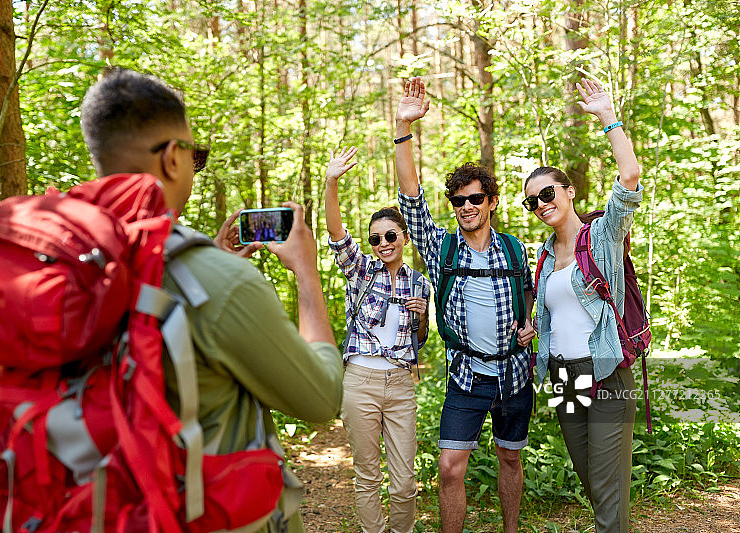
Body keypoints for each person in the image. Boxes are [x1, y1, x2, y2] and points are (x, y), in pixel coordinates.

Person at [80, 67, 343, 532]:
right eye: (194, 154)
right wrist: (306, 271)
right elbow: (321, 399)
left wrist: (213, 260)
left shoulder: (72, 262)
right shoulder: (220, 284)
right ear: (171, 160)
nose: (195, 167)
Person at [393, 77, 535, 533]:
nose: (466, 206)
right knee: (451, 467)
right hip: (466, 375)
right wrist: (403, 127)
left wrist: (531, 323)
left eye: (475, 198)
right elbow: (411, 200)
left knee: (510, 458)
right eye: (458, 200)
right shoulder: (441, 249)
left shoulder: (514, 249)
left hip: (514, 373)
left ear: (491, 202)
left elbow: (531, 294)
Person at [524, 78, 641, 532]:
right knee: (591, 478)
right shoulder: (544, 255)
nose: (541, 204)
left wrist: (607, 116)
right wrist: (535, 331)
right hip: (564, 376)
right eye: (532, 201)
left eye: (547, 194)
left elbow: (629, 179)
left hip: (607, 371)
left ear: (569, 192)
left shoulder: (603, 237)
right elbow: (559, 313)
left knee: (607, 486)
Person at [324, 146, 432, 533]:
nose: (382, 243)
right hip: (360, 382)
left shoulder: (419, 281)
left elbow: (418, 341)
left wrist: (422, 318)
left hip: (401, 383)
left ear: (404, 236)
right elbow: (336, 232)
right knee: (368, 477)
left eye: (389, 235)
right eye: (375, 238)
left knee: (405, 483)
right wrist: (331, 180)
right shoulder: (360, 271)